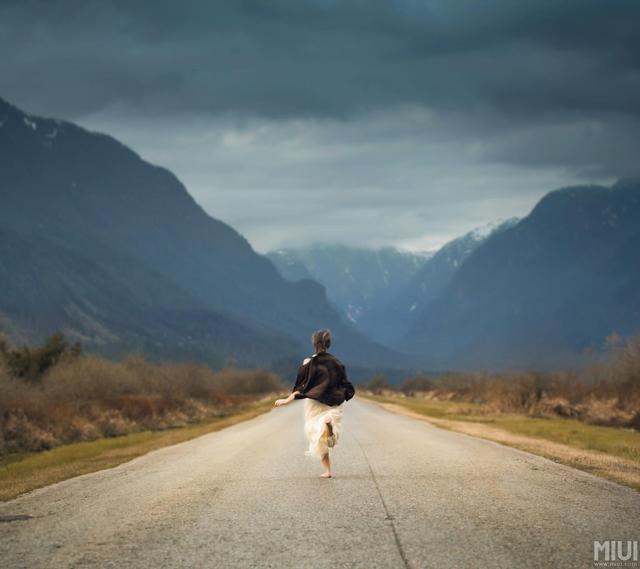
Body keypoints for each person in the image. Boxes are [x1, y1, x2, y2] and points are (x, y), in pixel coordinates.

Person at [274, 329, 355, 478]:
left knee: (315, 434)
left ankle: (328, 470)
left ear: (314, 344)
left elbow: (302, 386)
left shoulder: (308, 362)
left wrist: (287, 399)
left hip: (314, 403)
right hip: (333, 403)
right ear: (328, 344)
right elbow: (344, 384)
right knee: (329, 436)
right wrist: (344, 393)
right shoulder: (337, 363)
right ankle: (327, 425)